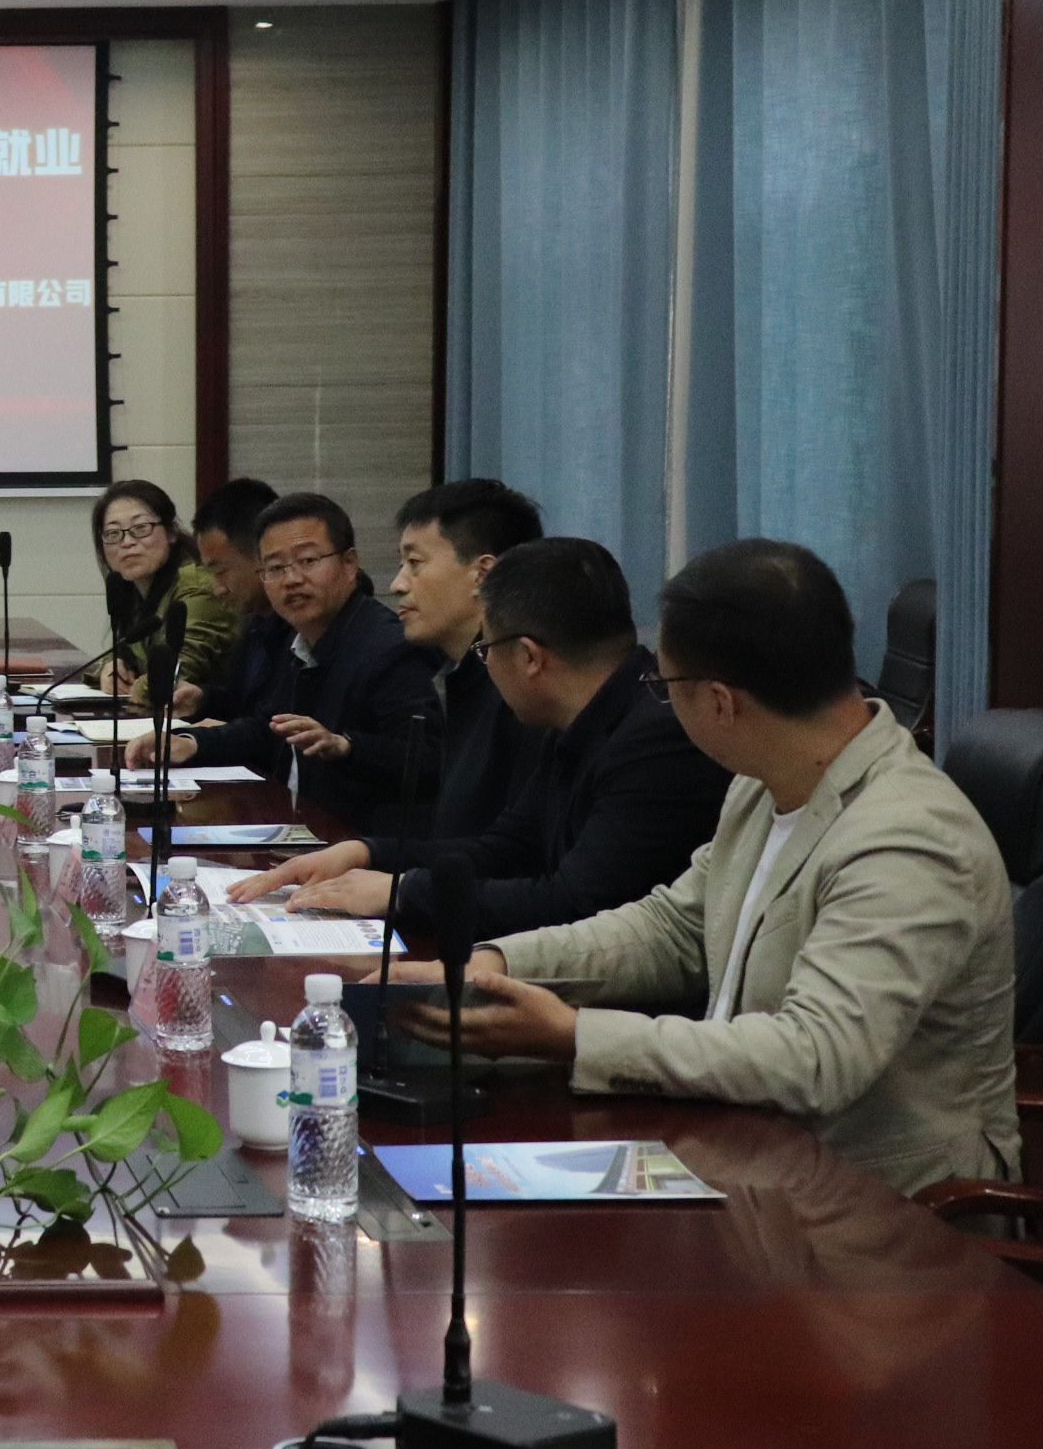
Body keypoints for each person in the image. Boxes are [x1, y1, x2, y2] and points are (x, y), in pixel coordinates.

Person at [398, 539, 1017, 1194]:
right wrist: (497, 964)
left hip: (886, 1210)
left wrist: (577, 1036)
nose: (660, 703)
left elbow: (815, 1056)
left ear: (720, 702)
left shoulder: (907, 836)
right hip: (744, 1157)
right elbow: (674, 927)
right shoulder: (761, 784)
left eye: (664, 687)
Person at [232, 537, 729, 941]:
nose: (485, 663)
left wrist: (402, 893)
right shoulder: (574, 718)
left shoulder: (657, 740)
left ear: (529, 658)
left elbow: (575, 903)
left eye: (486, 648)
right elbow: (508, 846)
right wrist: (367, 853)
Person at [132, 491, 438, 832]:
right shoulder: (298, 640)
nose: (292, 579)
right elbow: (268, 728)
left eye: (307, 561)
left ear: (349, 563)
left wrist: (346, 746)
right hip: (295, 829)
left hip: (354, 845)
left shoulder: (389, 648)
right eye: (276, 568)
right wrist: (190, 744)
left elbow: (428, 762)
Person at [383, 478, 547, 839]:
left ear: (483, 573)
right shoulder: (452, 674)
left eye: (414, 563)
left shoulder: (524, 691)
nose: (398, 584)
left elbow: (507, 850)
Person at [88, 478, 235, 702]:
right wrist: (109, 667)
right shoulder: (133, 591)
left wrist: (138, 688)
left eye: (141, 528)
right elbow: (124, 651)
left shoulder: (198, 588)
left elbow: (175, 672)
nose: (127, 542)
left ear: (171, 532)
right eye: (113, 533)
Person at [177, 476, 278, 720]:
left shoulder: (303, 630)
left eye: (220, 570)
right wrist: (203, 699)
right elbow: (243, 705)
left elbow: (274, 726)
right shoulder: (255, 623)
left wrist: (215, 737)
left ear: (261, 556)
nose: (217, 588)